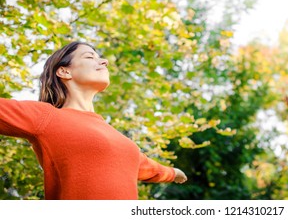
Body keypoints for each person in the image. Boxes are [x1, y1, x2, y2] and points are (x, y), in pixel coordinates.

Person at [0, 41, 187, 200]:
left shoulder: (115, 136)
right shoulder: (46, 117)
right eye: (89, 57)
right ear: (64, 72)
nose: (104, 61)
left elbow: (145, 166)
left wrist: (173, 173)